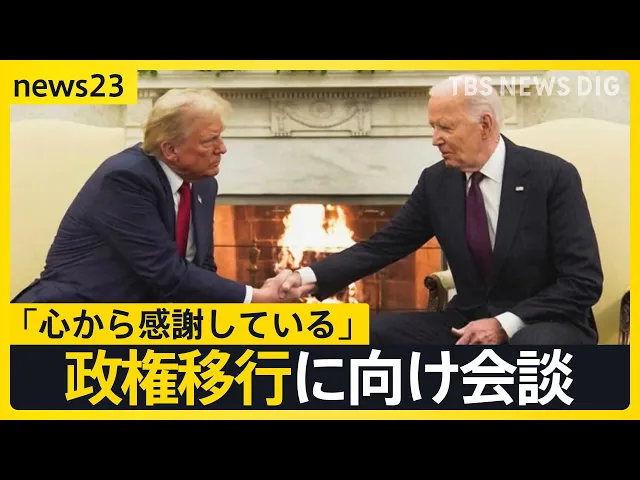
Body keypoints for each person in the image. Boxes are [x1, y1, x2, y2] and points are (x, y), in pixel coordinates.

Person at [278, 74, 604, 346]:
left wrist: (504, 324)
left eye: (446, 127)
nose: (435, 139)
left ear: (485, 124)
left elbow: (583, 281)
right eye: (433, 127)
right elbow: (382, 246)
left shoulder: (551, 176)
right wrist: (305, 277)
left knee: (530, 346)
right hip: (466, 320)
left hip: (544, 321)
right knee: (369, 333)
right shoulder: (437, 182)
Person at [12, 88, 312, 304]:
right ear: (170, 150)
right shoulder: (125, 179)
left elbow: (201, 266)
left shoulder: (203, 184)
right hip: (71, 318)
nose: (222, 149)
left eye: (220, 137)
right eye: (209, 141)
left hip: (143, 323)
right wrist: (255, 298)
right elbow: (166, 272)